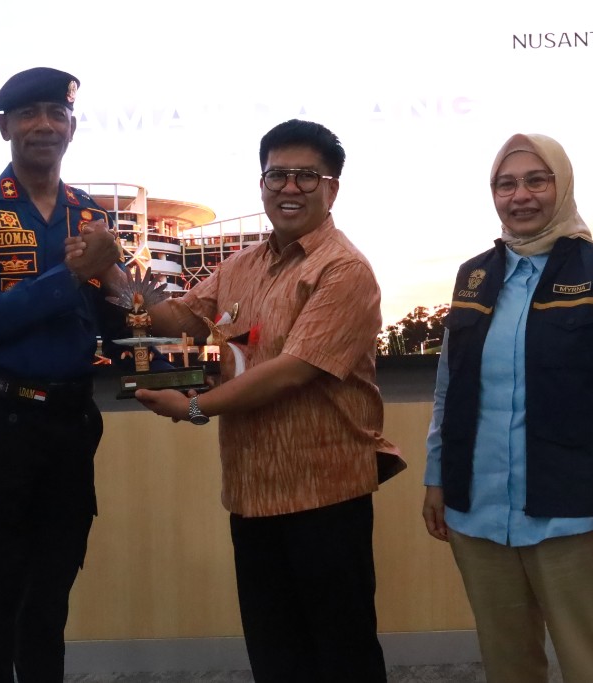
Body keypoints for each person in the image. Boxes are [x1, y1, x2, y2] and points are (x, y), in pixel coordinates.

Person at [77, 119, 403, 683]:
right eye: (278, 175)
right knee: (275, 655)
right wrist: (107, 267)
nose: (290, 187)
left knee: (341, 655)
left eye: (306, 176)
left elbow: (291, 372)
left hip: (326, 493)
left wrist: (195, 408)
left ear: (332, 189)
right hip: (253, 491)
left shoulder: (343, 269)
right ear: (262, 184)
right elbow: (179, 320)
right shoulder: (242, 266)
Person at [422, 133, 593, 683]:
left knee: (590, 664)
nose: (520, 196)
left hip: (574, 514)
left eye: (536, 180)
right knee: (508, 665)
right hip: (478, 513)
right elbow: (448, 387)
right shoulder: (473, 276)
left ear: (561, 186)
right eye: (506, 184)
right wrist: (436, 477)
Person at [0, 67, 125, 682]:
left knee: (49, 603)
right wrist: (71, 274)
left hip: (69, 427)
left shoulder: (90, 216)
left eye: (56, 113)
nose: (44, 125)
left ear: (71, 126)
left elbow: (117, 319)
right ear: (5, 128)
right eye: (28, 114)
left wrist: (144, 312)